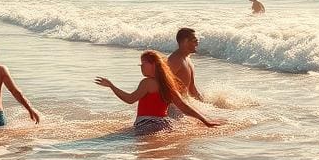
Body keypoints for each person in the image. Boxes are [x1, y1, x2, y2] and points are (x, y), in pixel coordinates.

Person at [95, 50, 223, 134]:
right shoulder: (168, 84)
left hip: (146, 125)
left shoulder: (147, 83)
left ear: (153, 65)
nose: (141, 67)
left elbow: (130, 99)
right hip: (164, 124)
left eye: (143, 64)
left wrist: (111, 86)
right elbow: (184, 107)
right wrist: (205, 120)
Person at [167, 28, 204, 108]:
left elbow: (192, 89)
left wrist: (204, 103)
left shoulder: (187, 60)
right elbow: (162, 85)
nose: (197, 44)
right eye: (195, 41)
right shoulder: (175, 60)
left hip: (185, 105)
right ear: (185, 41)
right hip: (174, 109)